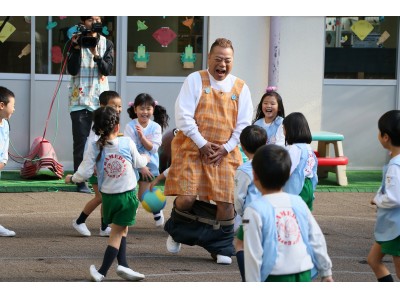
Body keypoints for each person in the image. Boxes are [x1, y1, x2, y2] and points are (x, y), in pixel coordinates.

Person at [164, 38, 253, 265]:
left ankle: (221, 246)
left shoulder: (241, 87)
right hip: (192, 148)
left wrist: (224, 148)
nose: (222, 64)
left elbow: (243, 124)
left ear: (232, 62)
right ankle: (177, 231)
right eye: (218, 59)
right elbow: (183, 115)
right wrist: (202, 143)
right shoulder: (195, 80)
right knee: (186, 198)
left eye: (227, 60)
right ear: (209, 59)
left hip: (224, 152)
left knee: (225, 202)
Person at [65, 106, 149, 282]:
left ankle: (123, 264)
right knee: (117, 233)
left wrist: (72, 178)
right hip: (126, 197)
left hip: (108, 198)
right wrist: (146, 158)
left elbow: (85, 172)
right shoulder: (126, 142)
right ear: (117, 127)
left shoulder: (95, 147)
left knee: (121, 228)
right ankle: (101, 272)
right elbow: (139, 162)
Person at [243, 144, 333, 282]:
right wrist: (326, 271)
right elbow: (316, 237)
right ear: (288, 175)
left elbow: (252, 254)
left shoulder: (254, 210)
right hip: (303, 272)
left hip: (273, 276)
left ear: (254, 175)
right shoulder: (299, 203)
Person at [67, 16, 114, 194]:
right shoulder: (75, 40)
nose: (94, 22)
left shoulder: (106, 43)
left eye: (97, 18)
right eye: (90, 19)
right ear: (83, 22)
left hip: (100, 101)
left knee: (104, 141)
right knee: (81, 142)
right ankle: (80, 181)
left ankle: (104, 178)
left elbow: (107, 70)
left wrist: (95, 54)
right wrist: (76, 48)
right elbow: (71, 70)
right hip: (79, 100)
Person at [72, 90, 122, 237]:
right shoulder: (98, 127)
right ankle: (80, 221)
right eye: (114, 106)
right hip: (96, 169)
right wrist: (92, 166)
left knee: (105, 197)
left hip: (104, 168)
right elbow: (91, 148)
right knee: (101, 197)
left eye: (120, 106)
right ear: (102, 106)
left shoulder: (113, 124)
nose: (118, 109)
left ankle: (104, 226)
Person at [124, 93, 169, 227]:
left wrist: (142, 137)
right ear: (135, 109)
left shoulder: (155, 127)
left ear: (153, 110)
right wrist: (140, 166)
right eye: (142, 108)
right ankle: (131, 212)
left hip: (149, 166)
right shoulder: (129, 126)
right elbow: (129, 150)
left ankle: (157, 210)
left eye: (148, 109)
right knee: (129, 192)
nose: (145, 112)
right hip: (133, 165)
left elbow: (153, 149)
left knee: (143, 195)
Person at [367, 110, 400, 282]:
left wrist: (377, 200)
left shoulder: (395, 166)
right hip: (390, 227)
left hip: (396, 228)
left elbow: (395, 197)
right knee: (373, 260)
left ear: (386, 137)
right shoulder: (395, 161)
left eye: (379, 132)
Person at [233, 125, 267, 281]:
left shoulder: (244, 169)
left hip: (250, 215)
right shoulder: (273, 164)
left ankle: (248, 279)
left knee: (241, 245)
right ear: (266, 143)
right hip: (270, 212)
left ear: (242, 147)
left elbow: (239, 197)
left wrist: (240, 213)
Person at [282, 112, 318, 211]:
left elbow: (287, 169)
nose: (283, 132)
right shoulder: (307, 147)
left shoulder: (294, 149)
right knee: (305, 215)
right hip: (308, 185)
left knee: (294, 215)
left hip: (297, 187)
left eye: (284, 128)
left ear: (290, 130)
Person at [0, 86, 16, 237]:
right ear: (2, 105)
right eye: (13, 106)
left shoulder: (5, 125)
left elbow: (5, 146)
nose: (14, 109)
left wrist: (3, 161)